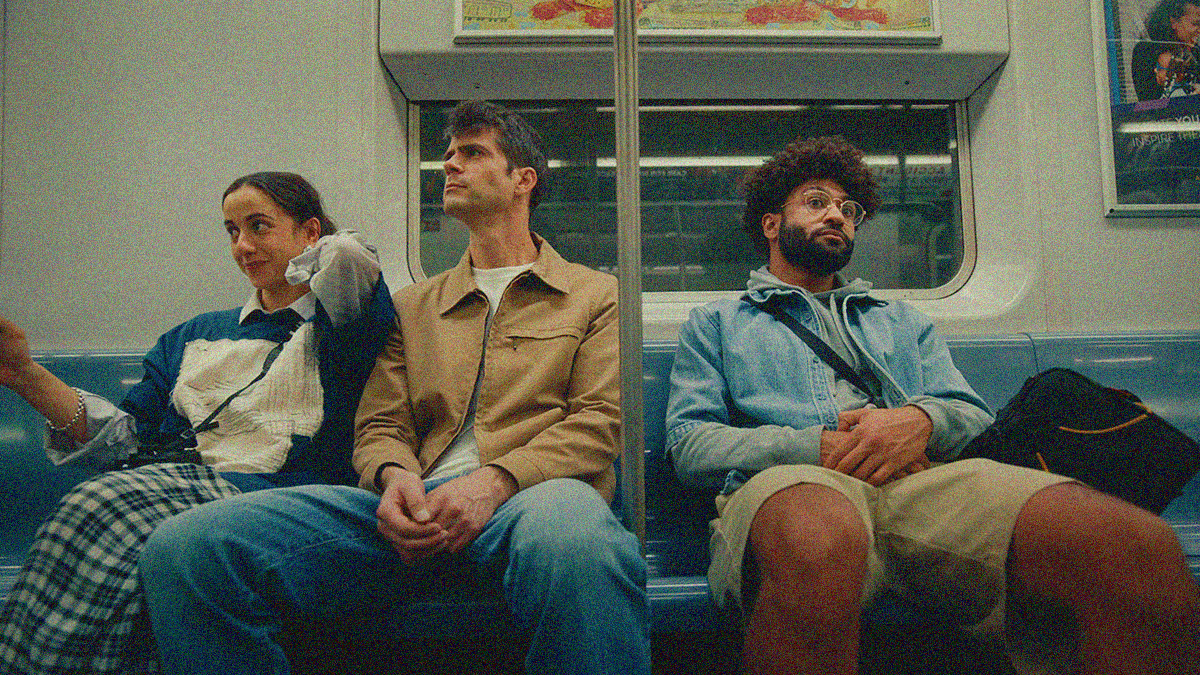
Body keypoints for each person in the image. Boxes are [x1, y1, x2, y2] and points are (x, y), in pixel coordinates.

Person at [137, 101, 649, 675]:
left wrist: (493, 482)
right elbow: (381, 425)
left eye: (472, 153)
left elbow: (600, 421)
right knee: (186, 549)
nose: (449, 166)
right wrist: (394, 478)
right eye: (447, 155)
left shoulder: (596, 295)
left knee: (580, 544)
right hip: (415, 500)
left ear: (522, 180)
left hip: (532, 501)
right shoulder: (413, 306)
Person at [665, 135, 1200, 674]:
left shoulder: (902, 321)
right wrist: (816, 446)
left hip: (923, 482)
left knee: (1133, 543)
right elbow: (690, 444)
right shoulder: (719, 322)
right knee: (817, 542)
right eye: (816, 201)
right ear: (772, 224)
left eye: (848, 209)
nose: (838, 216)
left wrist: (918, 421)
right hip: (792, 483)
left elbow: (971, 416)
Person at [0, 171, 394, 675]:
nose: (243, 246)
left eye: (259, 227)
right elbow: (125, 439)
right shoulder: (192, 335)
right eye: (232, 231)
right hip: (169, 482)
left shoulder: (345, 320)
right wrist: (26, 376)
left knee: (99, 503)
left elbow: (352, 262)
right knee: (108, 519)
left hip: (277, 494)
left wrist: (307, 263)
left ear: (310, 232)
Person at [1132, 0, 1200, 100]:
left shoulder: (1195, 53)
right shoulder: (1146, 52)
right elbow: (1146, 103)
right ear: (1174, 22)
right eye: (1195, 24)